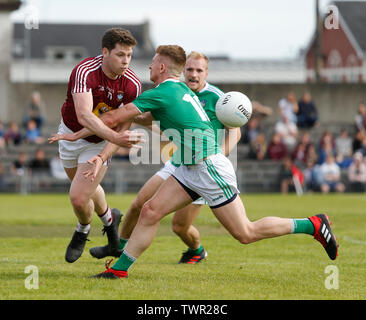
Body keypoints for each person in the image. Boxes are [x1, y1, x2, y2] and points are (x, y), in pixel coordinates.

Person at [52, 45, 339, 280]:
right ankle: (119, 270)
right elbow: (135, 118)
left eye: (152, 63)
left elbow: (115, 118)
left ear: (162, 67)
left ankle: (312, 224)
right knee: (150, 210)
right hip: (188, 167)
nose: (148, 68)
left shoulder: (164, 91)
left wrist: (77, 130)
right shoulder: (179, 91)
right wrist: (97, 130)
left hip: (208, 166)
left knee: (246, 233)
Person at [58, 51, 241, 264]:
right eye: (189, 69)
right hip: (178, 161)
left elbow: (235, 131)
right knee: (140, 205)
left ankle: (196, 250)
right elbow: (149, 118)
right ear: (182, 71)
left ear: (206, 73)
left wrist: (218, 155)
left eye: (198, 70)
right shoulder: (176, 90)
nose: (193, 74)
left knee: (179, 226)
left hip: (205, 165)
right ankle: (118, 247)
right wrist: (131, 113)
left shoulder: (217, 98)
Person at [50, 28, 144, 263]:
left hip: (100, 141)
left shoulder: (132, 85)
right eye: (120, 55)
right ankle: (111, 220)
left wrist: (103, 154)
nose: (126, 61)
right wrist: (116, 138)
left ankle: (82, 230)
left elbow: (123, 129)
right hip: (71, 133)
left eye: (129, 55)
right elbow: (84, 116)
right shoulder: (84, 71)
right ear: (105, 52)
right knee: (86, 188)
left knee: (79, 198)